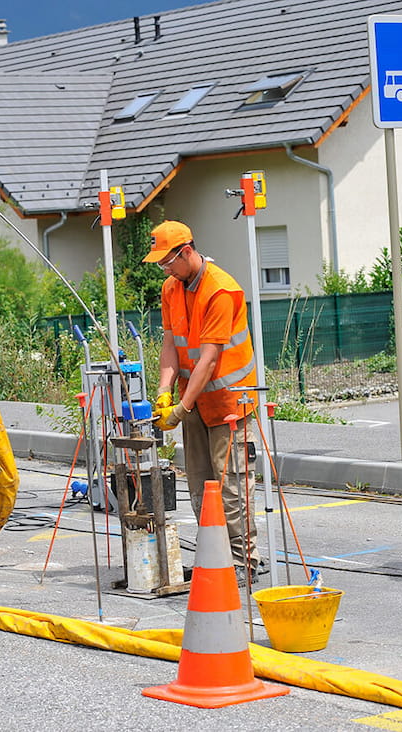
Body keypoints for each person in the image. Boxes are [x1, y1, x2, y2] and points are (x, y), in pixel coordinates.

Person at [144, 220, 261, 585]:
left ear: (187, 252)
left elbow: (209, 359)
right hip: (194, 402)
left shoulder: (221, 290)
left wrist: (180, 409)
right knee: (200, 485)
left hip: (228, 404)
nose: (165, 269)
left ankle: (243, 563)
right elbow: (170, 345)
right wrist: (165, 390)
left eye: (168, 262)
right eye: (161, 265)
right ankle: (216, 556)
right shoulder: (171, 289)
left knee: (231, 486)